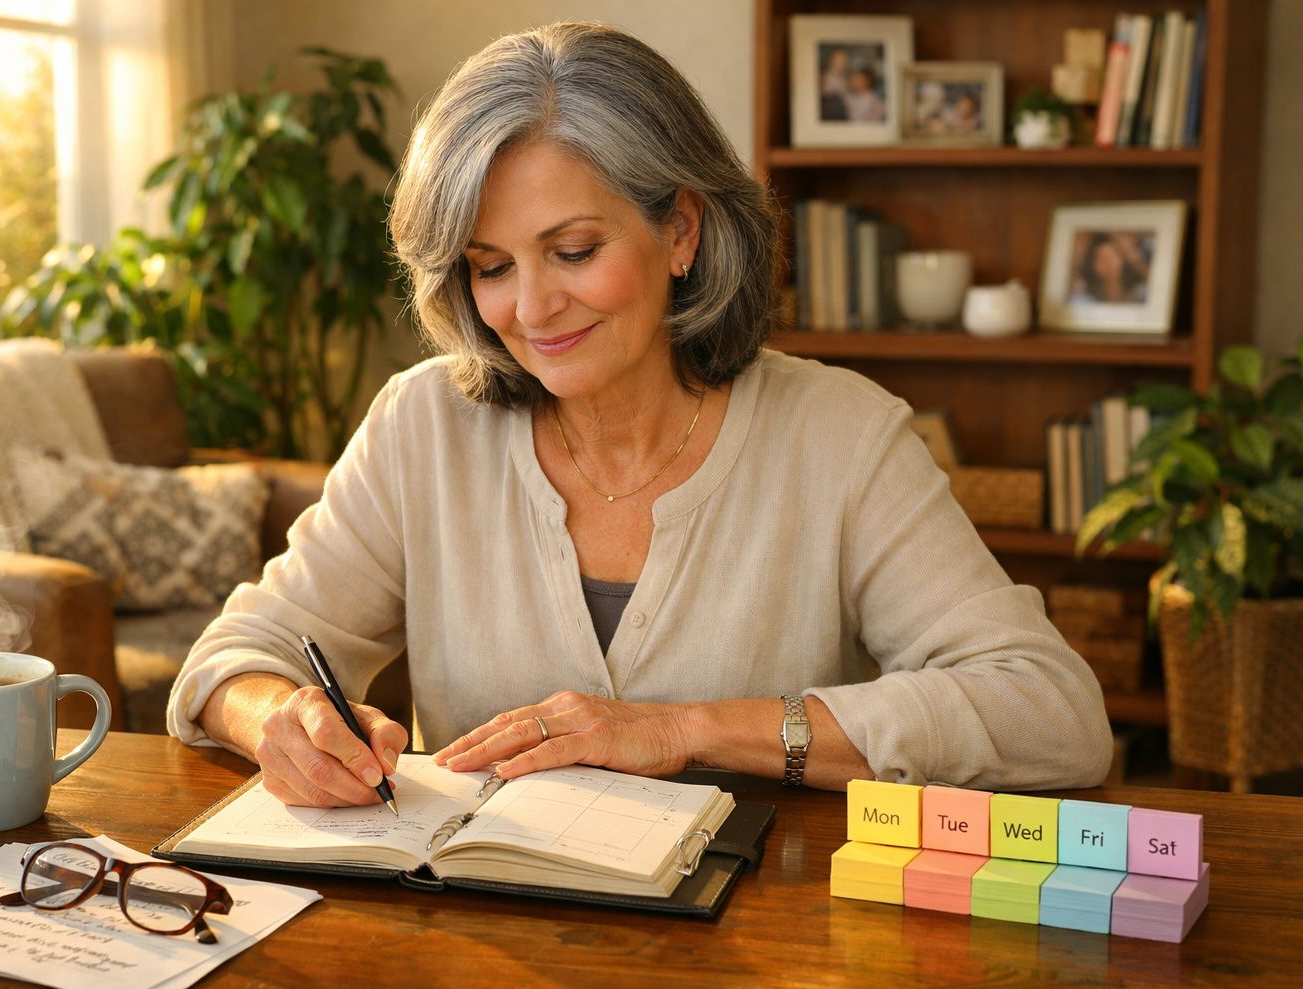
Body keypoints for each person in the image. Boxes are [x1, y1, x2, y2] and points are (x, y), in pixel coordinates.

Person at [167, 21, 1112, 809]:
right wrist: (279, 720)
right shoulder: (424, 427)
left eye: (573, 250)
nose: (530, 311)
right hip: (489, 954)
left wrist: (684, 730)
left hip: (775, 950)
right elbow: (233, 659)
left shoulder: (843, 437)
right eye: (491, 266)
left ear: (682, 231)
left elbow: (1053, 717)